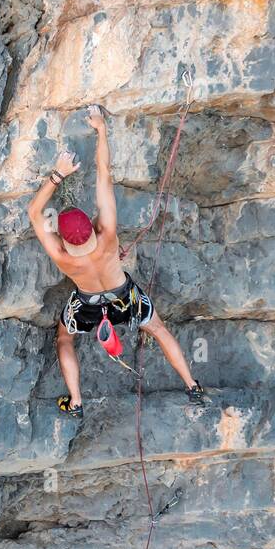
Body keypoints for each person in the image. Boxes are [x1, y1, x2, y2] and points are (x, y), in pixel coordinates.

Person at [27, 105, 210, 417]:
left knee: (64, 339)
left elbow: (34, 211)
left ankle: (76, 401)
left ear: (62, 236)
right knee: (159, 329)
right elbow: (104, 174)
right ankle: (192, 386)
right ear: (92, 226)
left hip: (86, 304)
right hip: (124, 297)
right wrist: (101, 129)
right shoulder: (107, 234)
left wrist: (58, 174)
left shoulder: (60, 254)